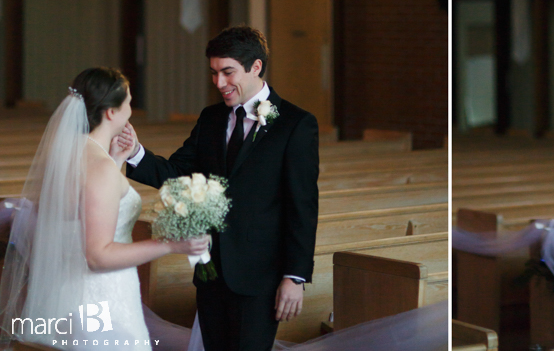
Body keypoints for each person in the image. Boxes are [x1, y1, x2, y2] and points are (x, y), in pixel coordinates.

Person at [122, 25, 319, 351]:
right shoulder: (212, 118)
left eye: (228, 72)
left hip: (260, 278)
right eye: (214, 73)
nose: (219, 83)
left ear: (255, 67)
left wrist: (294, 277)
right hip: (211, 273)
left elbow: (302, 205)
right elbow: (177, 173)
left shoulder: (295, 124)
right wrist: (134, 152)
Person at [0, 67, 208, 347]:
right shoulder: (100, 169)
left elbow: (84, 213)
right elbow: (98, 256)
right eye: (128, 103)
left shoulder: (72, 157)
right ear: (111, 112)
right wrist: (171, 246)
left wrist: (115, 161)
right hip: (100, 302)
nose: (131, 111)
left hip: (66, 297)